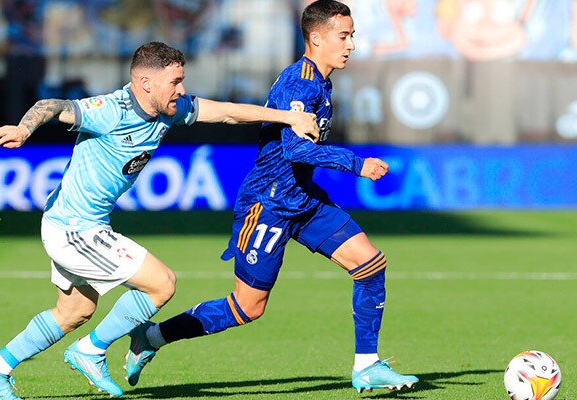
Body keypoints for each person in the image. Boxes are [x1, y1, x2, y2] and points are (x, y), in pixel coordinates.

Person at [0, 41, 319, 400]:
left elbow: (228, 112)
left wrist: (288, 116)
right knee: (162, 283)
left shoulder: (171, 110)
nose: (182, 90)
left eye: (182, 80)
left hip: (82, 224)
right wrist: (24, 129)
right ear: (145, 82)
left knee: (75, 310)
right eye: (175, 82)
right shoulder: (111, 110)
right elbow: (52, 105)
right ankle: (89, 351)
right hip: (74, 228)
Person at [125, 1, 419, 394]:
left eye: (352, 36)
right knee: (248, 307)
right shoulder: (300, 83)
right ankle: (152, 338)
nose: (351, 44)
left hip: (304, 199)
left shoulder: (321, 80)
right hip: (268, 203)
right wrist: (356, 163)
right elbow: (296, 150)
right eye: (343, 36)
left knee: (370, 265)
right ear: (316, 38)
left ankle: (367, 366)